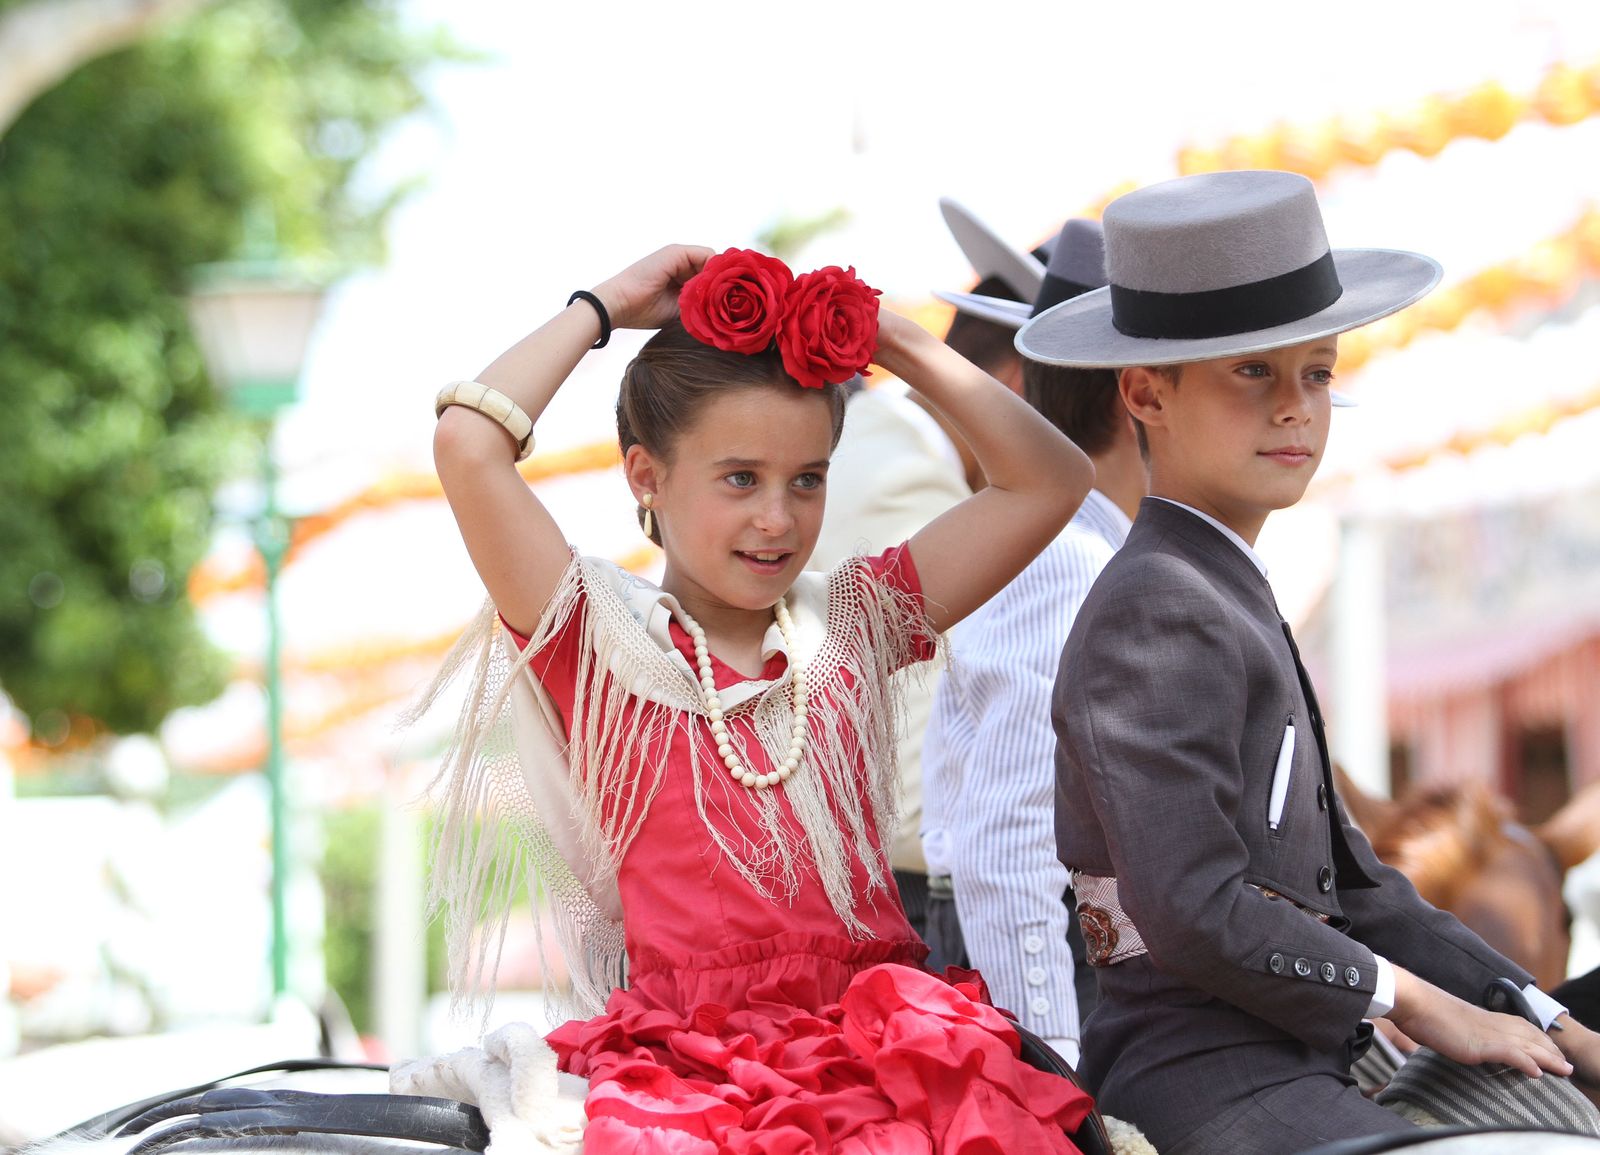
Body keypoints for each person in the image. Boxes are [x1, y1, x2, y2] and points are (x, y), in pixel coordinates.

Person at [428, 243, 1096, 1153]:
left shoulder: (857, 618)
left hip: (894, 1047)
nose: (778, 517)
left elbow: (1051, 480)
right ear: (645, 476)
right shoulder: (598, 637)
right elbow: (470, 444)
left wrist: (879, 333)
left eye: (807, 479)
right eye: (740, 477)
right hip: (688, 1069)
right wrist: (606, 304)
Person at [1019, 170, 1600, 1153]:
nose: (1295, 407)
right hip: (1202, 1080)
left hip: (1298, 1063)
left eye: (1317, 372)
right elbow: (1189, 907)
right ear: (1145, 393)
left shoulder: (1225, 584)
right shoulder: (1160, 601)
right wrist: (1416, 1002)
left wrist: (1552, 1021)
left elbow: (1361, 888)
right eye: (1251, 373)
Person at [921, 217, 1141, 1065]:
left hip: (1066, 943)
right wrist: (1049, 1065)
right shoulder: (1071, 561)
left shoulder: (1092, 547)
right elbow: (1009, 846)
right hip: (1042, 958)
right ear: (1145, 393)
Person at [808, 199, 1044, 953]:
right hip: (896, 913)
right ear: (1007, 384)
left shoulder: (881, 445)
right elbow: (912, 802)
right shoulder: (906, 478)